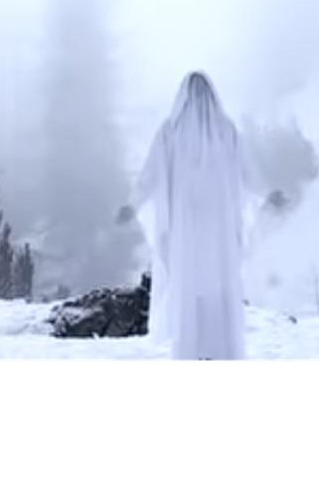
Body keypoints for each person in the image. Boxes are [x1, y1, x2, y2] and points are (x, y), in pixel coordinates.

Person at [118, 72, 276, 359]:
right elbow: (247, 173)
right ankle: (215, 350)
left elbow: (150, 176)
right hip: (214, 229)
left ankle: (194, 350)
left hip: (191, 228)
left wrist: (134, 204)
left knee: (194, 285)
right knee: (214, 285)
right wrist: (267, 194)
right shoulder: (221, 131)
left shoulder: (175, 131)